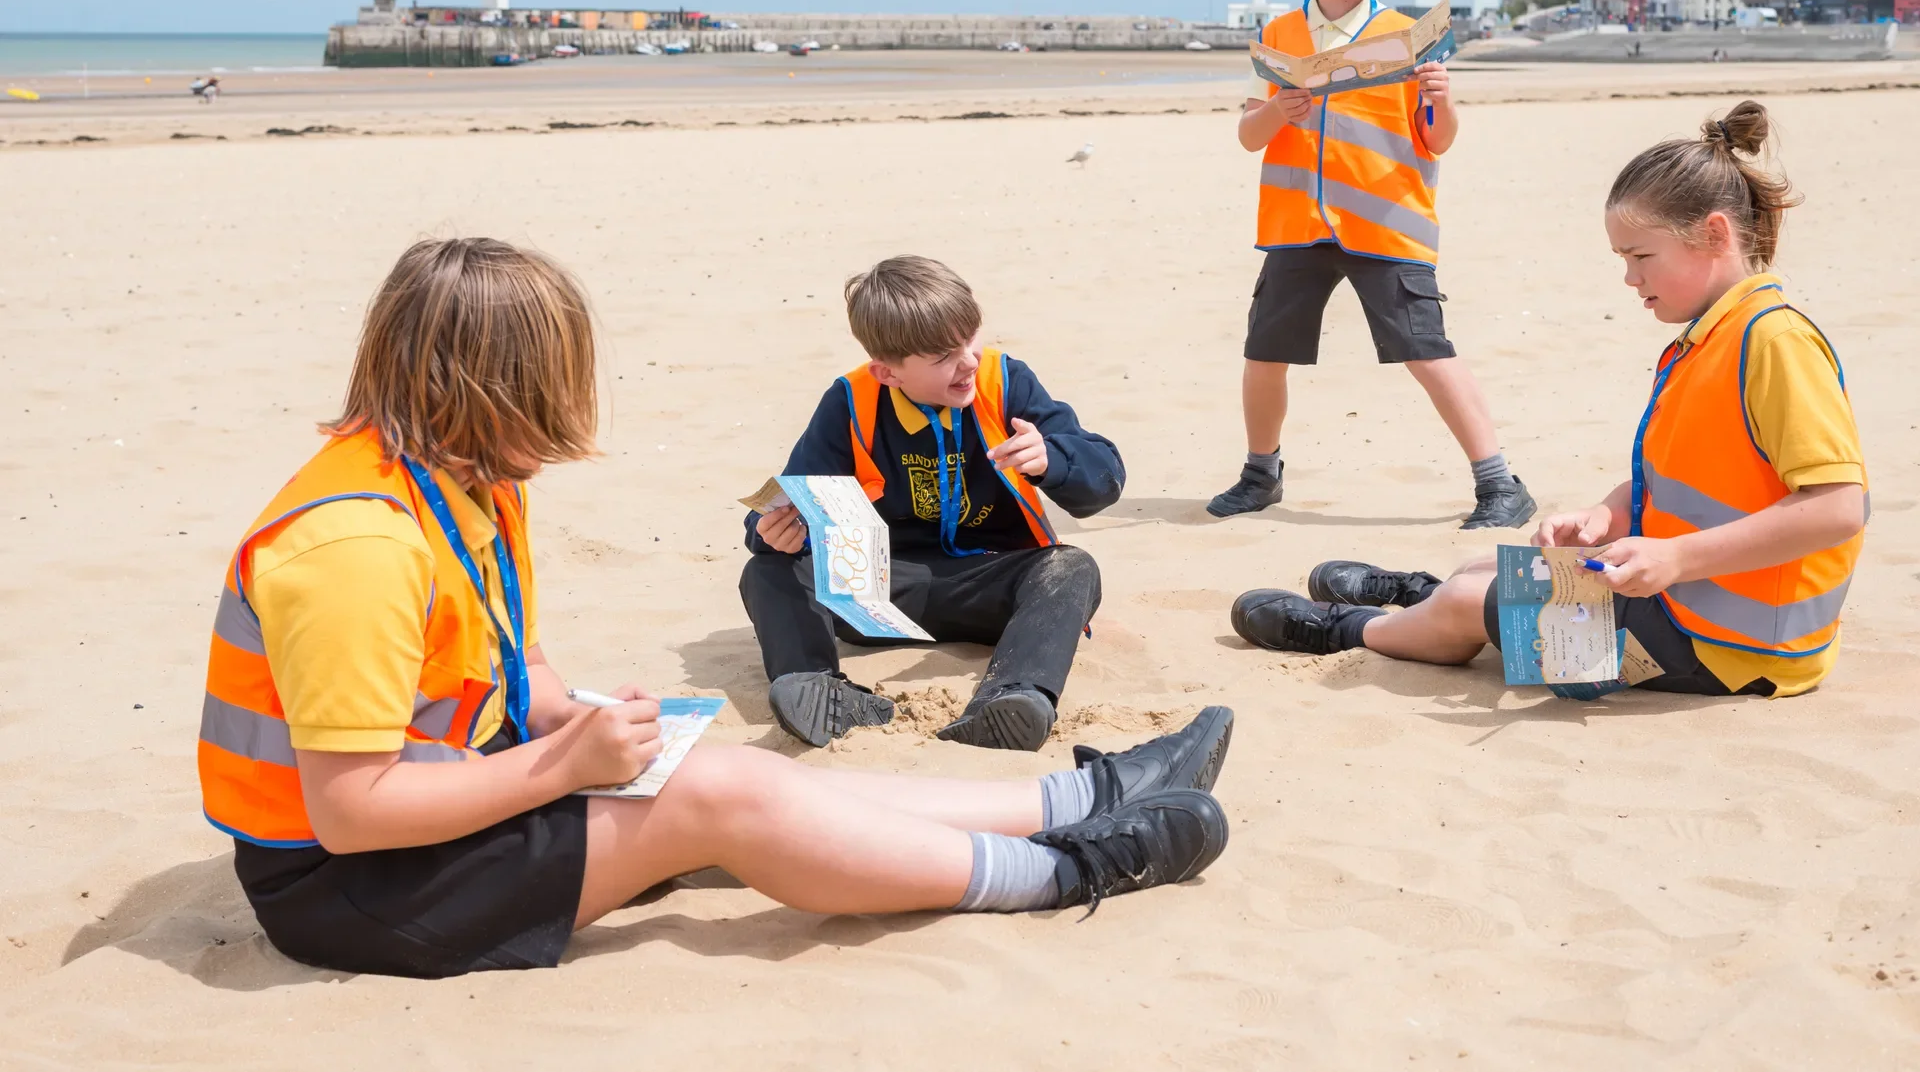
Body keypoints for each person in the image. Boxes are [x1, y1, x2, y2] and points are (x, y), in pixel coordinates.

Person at [197, 237, 1233, 979]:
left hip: (450, 812)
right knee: (717, 800)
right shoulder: (357, 545)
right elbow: (350, 811)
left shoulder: (463, 478)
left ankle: (1073, 804)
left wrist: (573, 718)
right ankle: (1064, 869)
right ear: (500, 388)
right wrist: (565, 761)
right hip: (360, 892)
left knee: (713, 769)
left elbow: (517, 659)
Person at [1229, 102, 1868, 700]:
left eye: (1642, 256)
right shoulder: (1714, 336)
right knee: (1487, 569)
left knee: (1464, 607)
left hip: (1736, 652)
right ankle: (1432, 596)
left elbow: (1839, 507)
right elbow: (1691, 476)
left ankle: (1353, 628)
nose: (1630, 278)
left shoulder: (1775, 341)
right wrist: (1609, 512)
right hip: (1689, 600)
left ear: (1715, 234)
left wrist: (1674, 556)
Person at [1210, 0, 1534, 530]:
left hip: (1386, 224)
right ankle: (1260, 471)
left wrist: (1441, 97)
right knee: (1264, 352)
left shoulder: (1408, 38)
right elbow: (1249, 135)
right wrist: (1278, 108)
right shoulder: (1279, 34)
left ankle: (1500, 482)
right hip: (1298, 224)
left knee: (1426, 347)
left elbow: (1437, 139)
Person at [742, 255, 1123, 751]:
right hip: (880, 590)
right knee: (766, 572)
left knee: (1071, 567)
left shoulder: (1005, 383)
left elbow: (1105, 477)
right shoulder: (850, 402)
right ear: (888, 372)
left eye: (971, 338)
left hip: (992, 586)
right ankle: (816, 686)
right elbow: (793, 498)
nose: (968, 362)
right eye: (943, 356)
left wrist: (1054, 459)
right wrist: (766, 530)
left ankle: (1013, 696)